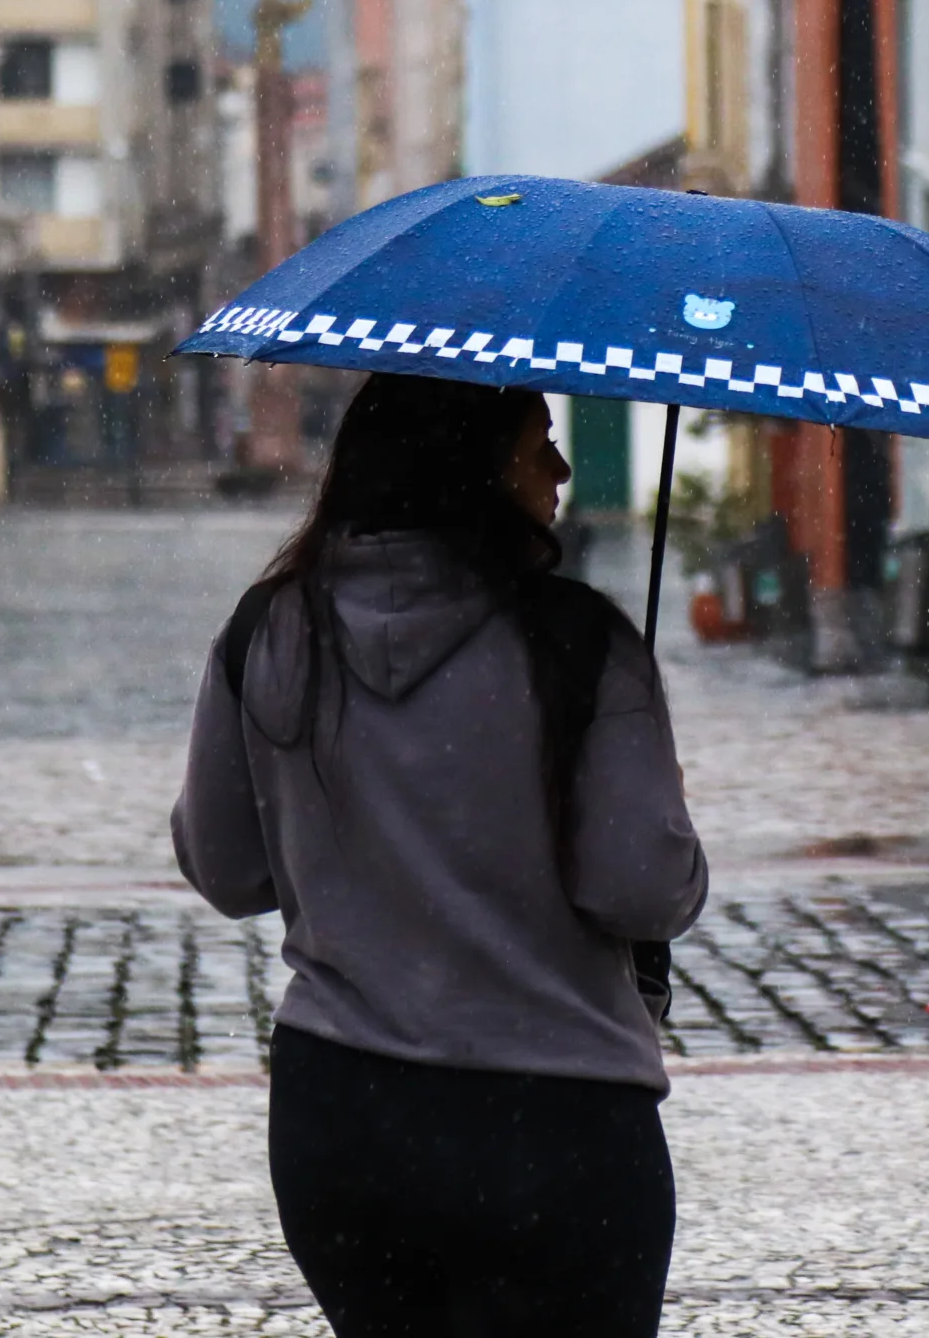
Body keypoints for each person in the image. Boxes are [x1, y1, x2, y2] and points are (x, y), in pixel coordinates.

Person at [174, 375, 706, 1336]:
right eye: (535, 440)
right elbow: (639, 886)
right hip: (557, 1122)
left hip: (347, 1118)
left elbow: (226, 866)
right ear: (469, 464)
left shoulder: (269, 629)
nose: (561, 465)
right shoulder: (578, 647)